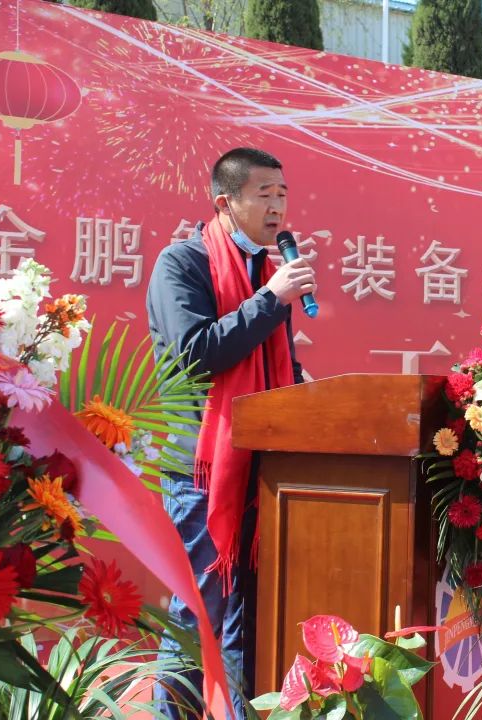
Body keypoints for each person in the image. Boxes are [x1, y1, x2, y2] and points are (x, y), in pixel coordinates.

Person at [146, 147, 315, 718]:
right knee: (200, 614)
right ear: (225, 202)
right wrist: (270, 300)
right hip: (203, 471)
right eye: (264, 195)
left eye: (283, 194)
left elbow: (275, 366)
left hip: (263, 467)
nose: (278, 207)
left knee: (253, 616)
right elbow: (195, 354)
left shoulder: (268, 271)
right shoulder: (182, 263)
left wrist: (305, 387)